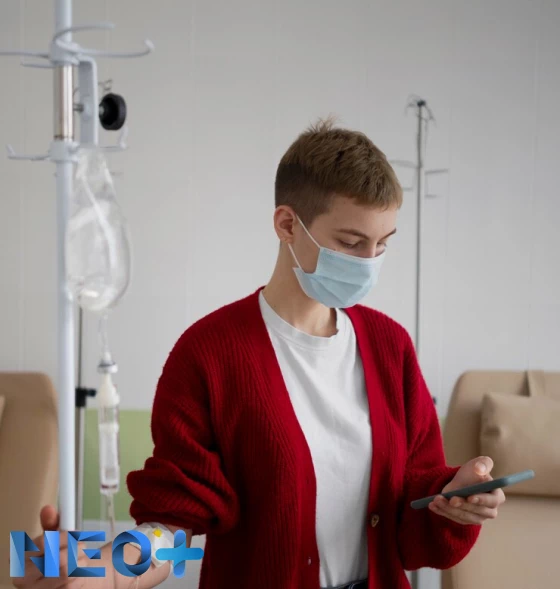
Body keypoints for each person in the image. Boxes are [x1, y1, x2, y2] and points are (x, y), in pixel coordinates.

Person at [16, 119, 505, 589]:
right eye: (351, 243)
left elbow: (413, 536)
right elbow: (176, 527)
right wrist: (112, 570)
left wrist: (451, 502)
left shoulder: (390, 347)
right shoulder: (209, 354)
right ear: (288, 224)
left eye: (382, 245)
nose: (369, 263)